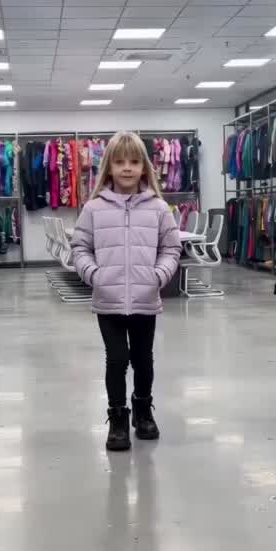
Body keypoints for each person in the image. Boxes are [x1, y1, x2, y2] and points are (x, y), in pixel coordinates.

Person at [70, 131, 181, 452]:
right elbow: (80, 247)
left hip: (146, 298)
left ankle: (143, 410)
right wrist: (95, 275)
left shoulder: (159, 208)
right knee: (117, 360)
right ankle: (118, 417)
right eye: (120, 162)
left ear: (144, 166)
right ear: (109, 166)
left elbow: (171, 248)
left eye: (134, 161)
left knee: (143, 360)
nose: (127, 168)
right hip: (108, 300)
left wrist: (158, 276)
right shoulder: (93, 209)